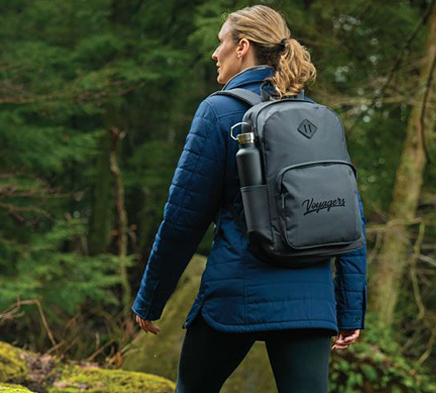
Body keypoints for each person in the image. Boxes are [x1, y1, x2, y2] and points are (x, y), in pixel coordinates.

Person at [131, 5, 367, 393]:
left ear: (242, 47)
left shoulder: (219, 111)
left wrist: (150, 299)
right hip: (310, 305)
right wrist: (349, 310)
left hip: (234, 299)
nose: (214, 53)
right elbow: (350, 221)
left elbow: (183, 217)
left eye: (220, 41)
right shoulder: (320, 119)